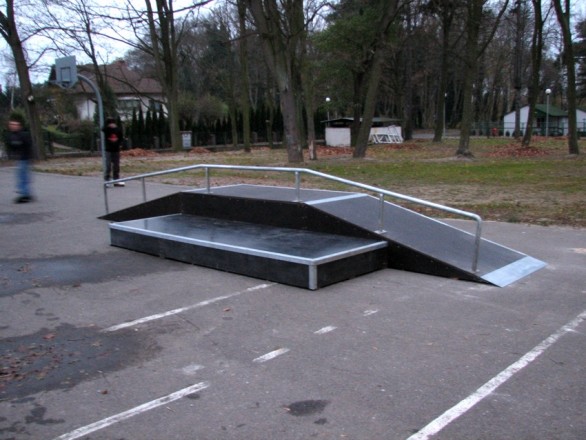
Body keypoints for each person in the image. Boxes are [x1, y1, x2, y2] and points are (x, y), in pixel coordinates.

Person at [6, 116, 34, 203]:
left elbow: (28, 146)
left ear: (19, 126)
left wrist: (29, 157)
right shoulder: (11, 136)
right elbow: (11, 147)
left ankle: (24, 194)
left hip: (24, 158)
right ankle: (26, 193)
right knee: (22, 176)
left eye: (15, 124)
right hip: (19, 159)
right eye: (11, 124)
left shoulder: (23, 135)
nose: (13, 126)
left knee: (22, 177)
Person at [102, 117, 125, 187]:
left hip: (116, 150)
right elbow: (103, 129)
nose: (112, 125)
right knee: (108, 165)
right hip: (108, 150)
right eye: (110, 123)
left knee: (116, 166)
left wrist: (120, 144)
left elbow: (121, 137)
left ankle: (116, 180)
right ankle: (107, 180)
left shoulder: (117, 129)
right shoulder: (107, 130)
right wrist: (107, 125)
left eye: (112, 123)